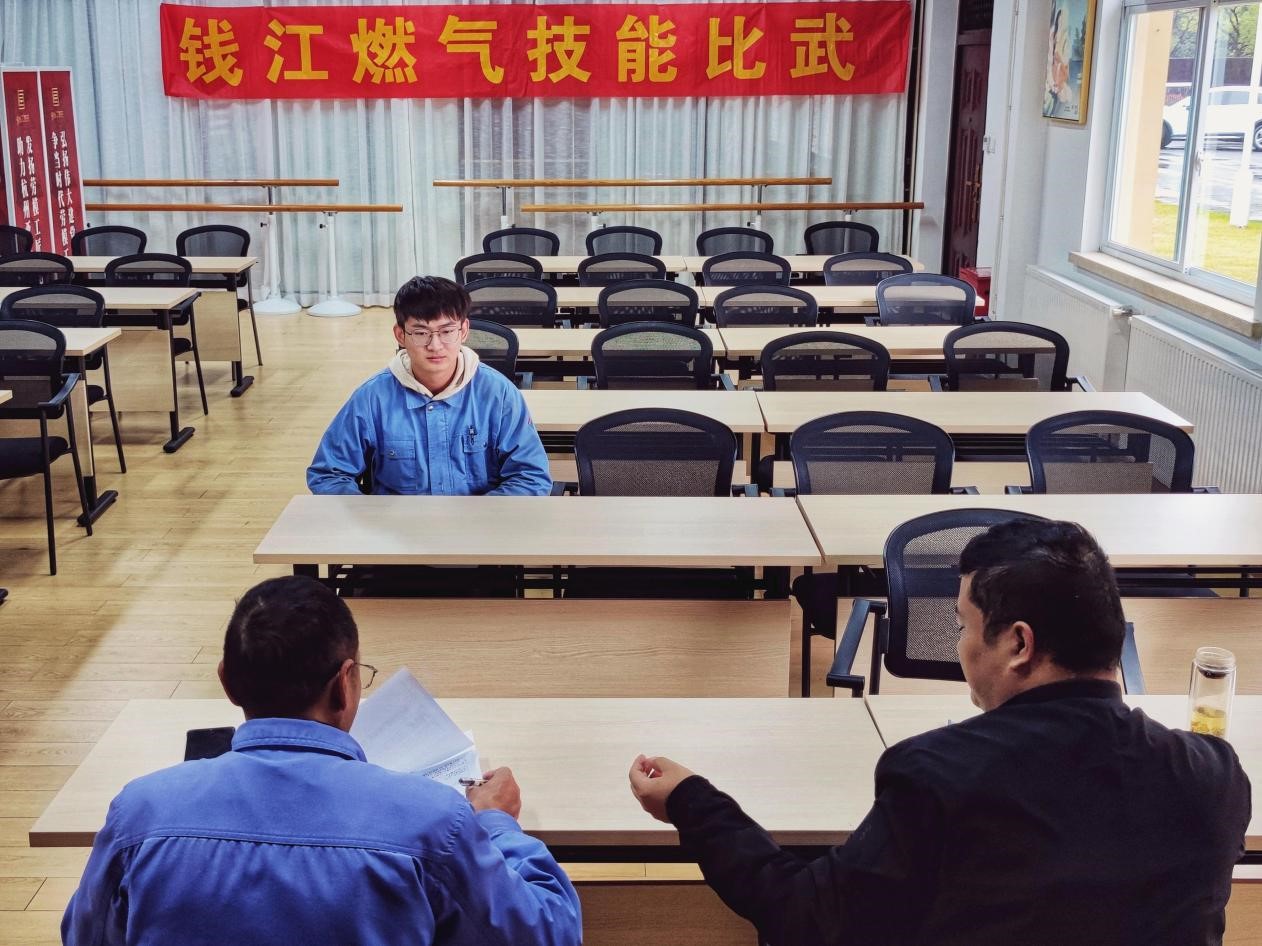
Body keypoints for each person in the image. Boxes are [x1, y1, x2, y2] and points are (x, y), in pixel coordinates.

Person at [629, 518, 1251, 946]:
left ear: (1018, 644)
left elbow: (804, 916)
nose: (960, 647)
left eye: (962, 626)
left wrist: (691, 801)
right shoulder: (1216, 776)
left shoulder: (938, 776)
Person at [63, 576, 581, 946]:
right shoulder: (432, 822)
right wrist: (496, 822)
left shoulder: (138, 814)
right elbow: (550, 933)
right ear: (345, 685)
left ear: (226, 681)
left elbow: (84, 935)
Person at [307, 275, 551, 496]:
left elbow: (530, 476)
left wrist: (479, 519)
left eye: (446, 331)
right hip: (396, 527)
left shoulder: (499, 393)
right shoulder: (372, 398)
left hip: (479, 526)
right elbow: (329, 474)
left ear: (464, 331)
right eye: (421, 333)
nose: (435, 345)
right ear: (400, 335)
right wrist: (371, 518)